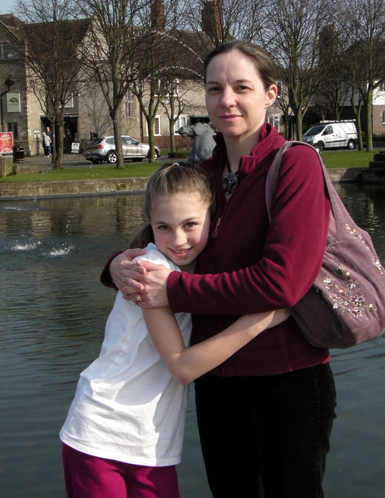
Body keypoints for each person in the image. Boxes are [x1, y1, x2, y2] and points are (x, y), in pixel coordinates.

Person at [104, 41, 337, 498]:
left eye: (241, 87)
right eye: (214, 88)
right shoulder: (202, 174)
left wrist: (174, 291)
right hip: (218, 384)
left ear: (271, 94)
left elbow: (282, 282)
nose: (226, 99)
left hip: (285, 380)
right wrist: (115, 265)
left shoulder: (295, 165)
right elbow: (156, 242)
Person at [60, 162, 289, 498]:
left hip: (153, 445)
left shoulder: (203, 271)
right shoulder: (150, 272)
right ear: (150, 225)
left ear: (214, 219)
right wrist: (261, 319)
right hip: (100, 433)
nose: (178, 240)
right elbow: (181, 368)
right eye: (163, 227)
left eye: (190, 224)